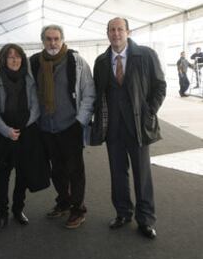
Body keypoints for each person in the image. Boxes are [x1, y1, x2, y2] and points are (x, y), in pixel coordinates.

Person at [90, 17, 166, 239]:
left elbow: (160, 85)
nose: (116, 33)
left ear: (128, 31)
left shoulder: (146, 55)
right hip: (112, 128)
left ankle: (146, 220)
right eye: (111, 30)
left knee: (142, 174)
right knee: (117, 173)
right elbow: (98, 93)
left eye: (120, 29)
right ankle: (123, 213)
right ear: (107, 33)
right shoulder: (101, 61)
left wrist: (149, 111)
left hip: (138, 126)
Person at [29, 25, 95, 229]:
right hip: (46, 127)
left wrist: (80, 122)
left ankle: (78, 209)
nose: (53, 43)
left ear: (63, 39)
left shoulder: (76, 61)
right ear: (43, 41)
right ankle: (64, 202)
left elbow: (89, 93)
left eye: (56, 39)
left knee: (75, 170)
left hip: (70, 126)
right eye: (48, 39)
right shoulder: (34, 62)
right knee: (56, 170)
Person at [0, 43, 42, 232]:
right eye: (10, 57)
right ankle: (1, 214)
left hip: (26, 133)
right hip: (5, 136)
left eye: (18, 56)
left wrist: (24, 126)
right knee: (2, 176)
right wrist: (7, 131)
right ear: (3, 60)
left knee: (22, 174)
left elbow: (36, 107)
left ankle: (18, 210)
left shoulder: (29, 80)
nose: (14, 60)